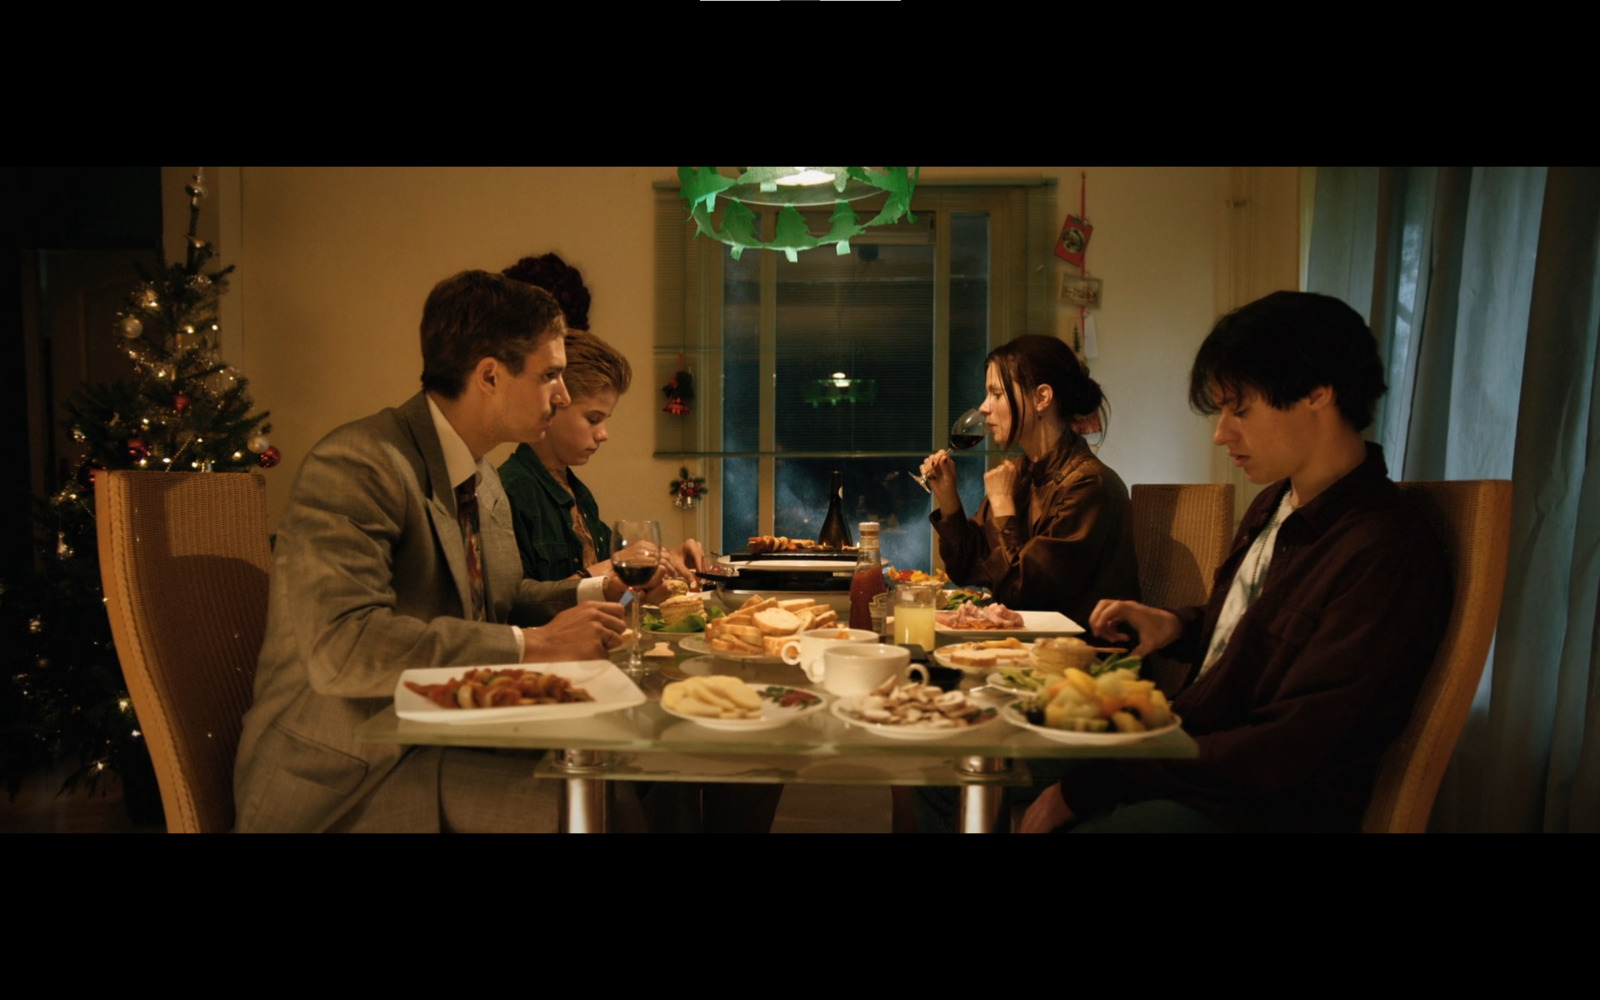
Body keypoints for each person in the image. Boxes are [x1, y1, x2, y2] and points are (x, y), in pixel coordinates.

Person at [1021, 291, 1452, 834]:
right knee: (966, 763)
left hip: (1252, 806)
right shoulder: (1277, 504)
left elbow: (1286, 745)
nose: (1223, 433)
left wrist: (1097, 785)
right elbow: (1261, 632)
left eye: (1240, 409)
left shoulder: (1384, 549)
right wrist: (1178, 624)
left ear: (1318, 392)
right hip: (1193, 750)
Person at [233, 271, 629, 833]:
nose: (563, 396)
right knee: (585, 811)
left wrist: (597, 588)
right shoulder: (359, 463)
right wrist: (535, 644)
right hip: (352, 773)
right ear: (490, 375)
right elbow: (344, 646)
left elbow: (504, 601)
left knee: (626, 777)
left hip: (444, 731)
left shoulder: (482, 475)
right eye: (551, 376)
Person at [919, 334, 1139, 625]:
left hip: (1080, 657)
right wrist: (948, 499)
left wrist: (1003, 506)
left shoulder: (1088, 485)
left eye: (996, 394)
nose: (984, 407)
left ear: (1041, 398)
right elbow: (965, 568)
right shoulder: (1023, 472)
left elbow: (1025, 596)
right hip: (1026, 644)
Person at [499, 329, 705, 601]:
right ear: (554, 404)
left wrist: (664, 562)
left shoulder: (580, 495)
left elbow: (616, 595)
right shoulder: (509, 492)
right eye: (593, 419)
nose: (603, 434)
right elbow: (512, 606)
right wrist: (610, 565)